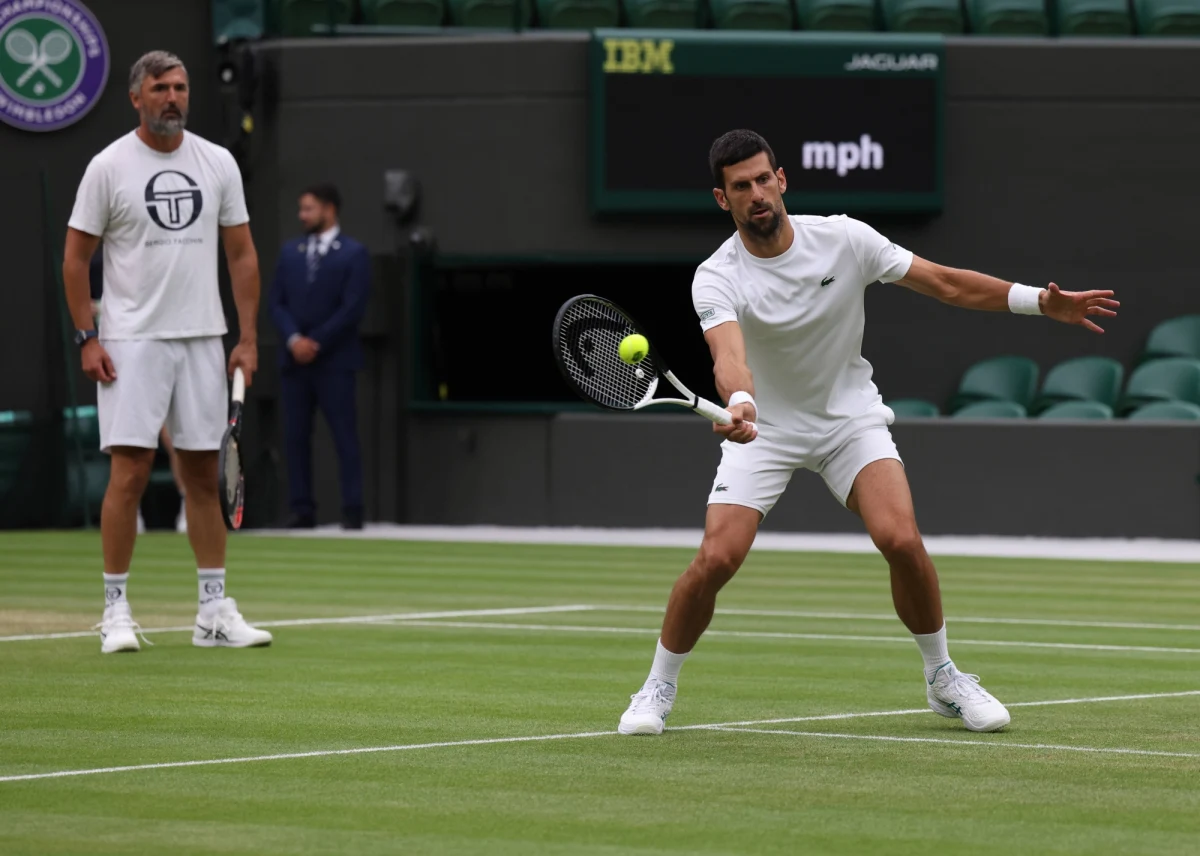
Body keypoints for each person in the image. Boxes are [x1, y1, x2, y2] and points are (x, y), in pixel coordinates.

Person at [617, 130, 1119, 736]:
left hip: (849, 420)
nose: (757, 194)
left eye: (763, 179)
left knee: (901, 540)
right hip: (767, 429)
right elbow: (729, 356)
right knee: (716, 558)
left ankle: (943, 677)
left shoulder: (845, 239)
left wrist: (1040, 301)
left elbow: (946, 282)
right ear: (723, 199)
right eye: (741, 186)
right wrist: (742, 402)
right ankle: (658, 685)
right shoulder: (716, 275)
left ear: (782, 180)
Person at [63, 50, 273, 654]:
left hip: (202, 339)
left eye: (180, 87)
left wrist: (247, 338)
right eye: (160, 88)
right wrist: (88, 338)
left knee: (203, 477)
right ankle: (115, 611)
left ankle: (213, 613)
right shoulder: (107, 167)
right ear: (137, 98)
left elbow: (242, 255)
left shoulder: (218, 162)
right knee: (129, 472)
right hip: (131, 341)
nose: (173, 97)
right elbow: (76, 260)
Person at [268, 184, 371, 531]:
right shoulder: (290, 252)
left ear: (329, 209)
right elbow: (276, 303)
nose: (302, 216)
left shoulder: (353, 253)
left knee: (344, 436)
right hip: (294, 363)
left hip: (335, 361)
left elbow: (352, 307)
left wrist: (316, 342)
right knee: (295, 437)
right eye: (301, 209)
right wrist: (294, 340)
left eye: (309, 209)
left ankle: (353, 509)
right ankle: (301, 509)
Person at [90, 248, 188, 534]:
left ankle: (188, 504)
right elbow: (86, 302)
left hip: (165, 352)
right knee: (126, 444)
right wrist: (98, 310)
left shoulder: (165, 254)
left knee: (173, 438)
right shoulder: (97, 263)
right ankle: (130, 511)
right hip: (121, 357)